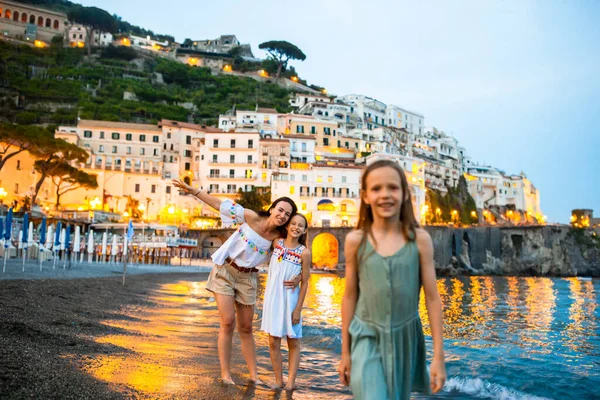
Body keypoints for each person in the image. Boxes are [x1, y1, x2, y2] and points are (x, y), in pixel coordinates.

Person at [172, 179, 300, 385]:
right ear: (272, 208)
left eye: (287, 214)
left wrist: (299, 277)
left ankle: (254, 376)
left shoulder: (278, 238)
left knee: (247, 327)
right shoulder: (251, 217)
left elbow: (295, 256)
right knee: (228, 322)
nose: (283, 215)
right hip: (226, 271)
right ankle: (226, 374)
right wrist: (194, 191)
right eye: (281, 210)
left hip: (248, 278)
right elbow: (218, 205)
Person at [337, 160, 446, 399]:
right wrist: (345, 352)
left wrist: (438, 356)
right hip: (365, 335)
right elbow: (349, 296)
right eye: (376, 189)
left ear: (405, 194)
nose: (385, 195)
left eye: (393, 188)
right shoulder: (356, 241)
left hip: (404, 339)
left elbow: (432, 298)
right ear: (365, 196)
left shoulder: (419, 240)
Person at [261, 213, 311, 391]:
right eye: (293, 224)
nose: (296, 227)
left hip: (291, 301)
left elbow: (305, 282)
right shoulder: (276, 243)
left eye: (300, 225)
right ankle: (278, 380)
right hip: (273, 299)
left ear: (305, 230)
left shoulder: (304, 253)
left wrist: (298, 309)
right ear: (288, 226)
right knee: (273, 341)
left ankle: (291, 382)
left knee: (293, 341)